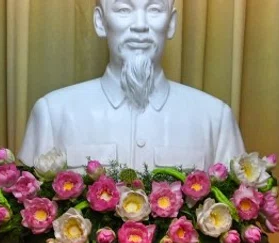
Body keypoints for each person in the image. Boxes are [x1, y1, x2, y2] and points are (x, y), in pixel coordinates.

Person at [18, 0, 245, 172]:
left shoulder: (214, 119)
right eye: (123, 9)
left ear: (172, 23)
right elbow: (23, 218)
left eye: (154, 9)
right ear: (100, 22)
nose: (140, 25)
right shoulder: (53, 113)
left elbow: (238, 220)